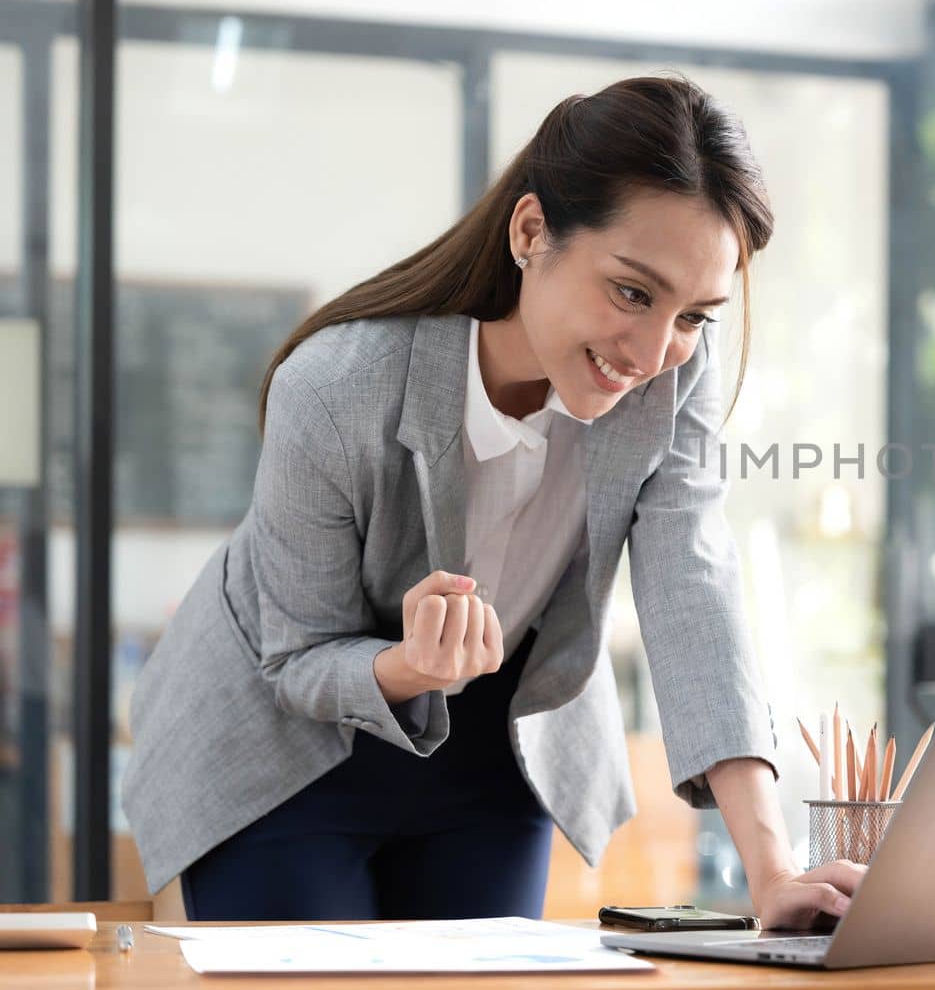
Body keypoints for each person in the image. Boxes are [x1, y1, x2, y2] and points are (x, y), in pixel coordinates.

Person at [124, 74, 863, 926]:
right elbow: (296, 657)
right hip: (280, 745)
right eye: (632, 291)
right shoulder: (334, 386)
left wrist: (773, 871)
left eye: (695, 315)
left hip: (493, 745)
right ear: (531, 230)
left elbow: (693, 588)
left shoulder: (673, 374)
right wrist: (412, 665)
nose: (656, 350)